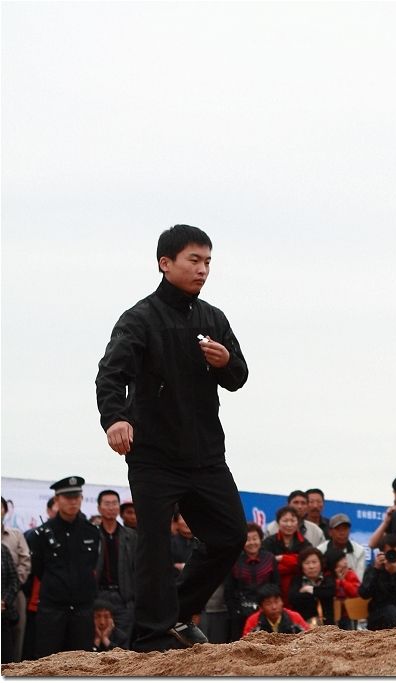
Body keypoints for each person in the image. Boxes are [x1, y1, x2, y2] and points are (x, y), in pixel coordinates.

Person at [95, 224, 249, 651]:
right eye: (194, 261)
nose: (203, 270)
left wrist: (226, 361)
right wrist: (115, 419)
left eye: (208, 262)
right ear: (165, 264)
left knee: (230, 534)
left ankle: (179, 613)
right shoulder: (139, 318)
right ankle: (149, 635)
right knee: (155, 542)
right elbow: (111, 374)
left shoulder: (213, 318)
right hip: (154, 455)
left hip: (205, 454)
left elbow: (239, 377)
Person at [28, 477, 101, 657]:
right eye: (68, 497)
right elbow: (38, 568)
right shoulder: (42, 533)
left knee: (82, 663)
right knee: (48, 662)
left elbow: (92, 564)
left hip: (82, 610)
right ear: (57, 500)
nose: (73, 501)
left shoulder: (91, 531)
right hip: (52, 610)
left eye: (77, 496)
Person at [94, 489, 138, 643]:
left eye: (114, 503)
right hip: (98, 595)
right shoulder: (92, 535)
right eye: (107, 504)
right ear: (99, 508)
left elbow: (137, 569)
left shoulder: (131, 536)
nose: (111, 507)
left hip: (123, 597)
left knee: (122, 643)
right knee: (96, 642)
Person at [224, 523, 279, 642]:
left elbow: (276, 585)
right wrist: (235, 612)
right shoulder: (235, 560)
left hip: (266, 610)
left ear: (260, 539)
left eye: (255, 538)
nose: (252, 543)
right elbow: (229, 590)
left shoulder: (269, 558)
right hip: (240, 612)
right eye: (248, 539)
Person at [263, 505, 313, 604]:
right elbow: (267, 565)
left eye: (293, 520)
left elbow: (305, 563)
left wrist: (281, 558)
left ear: (298, 522)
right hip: (274, 589)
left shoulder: (304, 543)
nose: (289, 524)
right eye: (285, 521)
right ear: (278, 522)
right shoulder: (269, 542)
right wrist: (294, 563)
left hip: (298, 590)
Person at [1, 497, 30, 661]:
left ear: (5, 510)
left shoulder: (15, 535)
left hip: (12, 595)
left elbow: (24, 563)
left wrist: (6, 597)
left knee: (14, 641)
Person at [287, 547, 335, 628]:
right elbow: (293, 598)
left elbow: (330, 592)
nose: (311, 566)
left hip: (327, 625)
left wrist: (310, 590)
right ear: (301, 565)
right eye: (307, 563)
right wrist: (318, 594)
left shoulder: (328, 578)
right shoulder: (297, 580)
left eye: (314, 562)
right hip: (303, 625)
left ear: (321, 563)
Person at [242, 584, 307, 635]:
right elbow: (245, 646)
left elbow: (309, 638)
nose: (274, 607)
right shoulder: (253, 622)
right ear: (261, 607)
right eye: (268, 603)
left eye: (277, 601)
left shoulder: (294, 617)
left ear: (282, 602)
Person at [317, 514, 367, 581]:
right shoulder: (320, 550)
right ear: (330, 532)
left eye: (345, 529)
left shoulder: (359, 551)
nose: (342, 533)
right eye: (338, 529)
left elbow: (359, 580)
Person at [324, 547, 361, 630]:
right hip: (333, 613)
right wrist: (337, 582)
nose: (345, 562)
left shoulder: (350, 574)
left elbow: (356, 592)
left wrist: (343, 581)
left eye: (345, 558)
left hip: (349, 613)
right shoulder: (328, 577)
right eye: (341, 560)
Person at [1, 544, 20, 664]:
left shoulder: (2, 550)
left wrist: (4, 601)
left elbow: (14, 581)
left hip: (3, 614)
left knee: (6, 662)